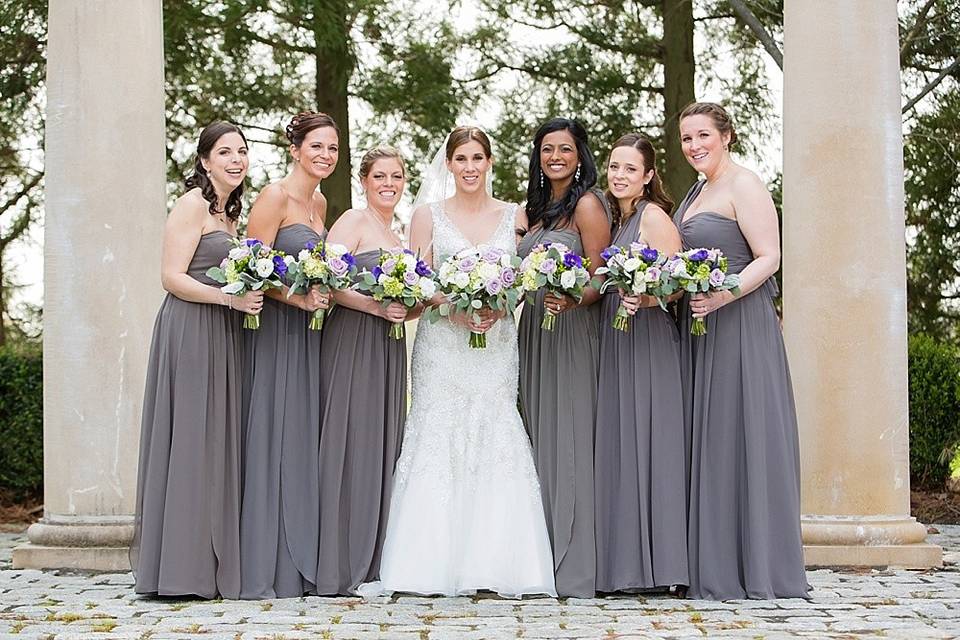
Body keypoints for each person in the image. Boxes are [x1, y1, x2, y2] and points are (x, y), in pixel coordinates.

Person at [362, 126, 556, 598]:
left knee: (496, 431)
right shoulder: (426, 216)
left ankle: (498, 564)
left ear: (490, 162)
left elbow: (525, 281)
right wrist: (455, 305)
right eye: (461, 159)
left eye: (477, 158)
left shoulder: (516, 216)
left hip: (496, 346)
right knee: (437, 433)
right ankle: (423, 566)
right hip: (443, 345)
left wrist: (497, 306)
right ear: (448, 165)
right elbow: (416, 283)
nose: (469, 167)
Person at [673, 102, 809, 600]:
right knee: (711, 437)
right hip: (701, 325)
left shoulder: (744, 184)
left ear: (726, 135)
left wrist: (725, 293)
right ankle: (714, 561)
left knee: (742, 433)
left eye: (703, 135)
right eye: (687, 138)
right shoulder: (697, 191)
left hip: (739, 323)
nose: (695, 146)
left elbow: (770, 256)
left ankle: (756, 564)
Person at [132, 122, 262, 599]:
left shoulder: (229, 217)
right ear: (205, 161)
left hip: (224, 334)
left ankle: (206, 562)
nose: (236, 159)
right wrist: (228, 299)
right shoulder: (190, 205)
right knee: (190, 438)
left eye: (242, 152)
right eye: (224, 152)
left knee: (216, 439)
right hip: (189, 329)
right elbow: (170, 276)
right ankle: (178, 569)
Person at [238, 111, 334, 599]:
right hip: (276, 329)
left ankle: (298, 558)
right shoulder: (274, 196)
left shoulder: (320, 201)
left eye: (333, 149)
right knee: (274, 432)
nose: (325, 155)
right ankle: (267, 561)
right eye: (316, 146)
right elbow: (250, 268)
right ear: (295, 149)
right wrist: (296, 298)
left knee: (301, 435)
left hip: (310, 332)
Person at [516, 117, 611, 597]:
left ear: (579, 156)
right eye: (547, 149)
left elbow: (602, 274)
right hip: (534, 334)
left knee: (569, 440)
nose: (555, 156)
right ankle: (540, 557)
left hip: (571, 331)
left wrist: (575, 298)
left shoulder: (589, 205)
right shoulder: (536, 211)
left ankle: (575, 568)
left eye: (565, 150)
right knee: (538, 438)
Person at [593, 133, 688, 594]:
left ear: (648, 176)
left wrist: (646, 297)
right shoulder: (617, 219)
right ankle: (627, 566)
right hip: (618, 339)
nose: (620, 176)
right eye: (614, 167)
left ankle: (664, 568)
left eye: (630, 169)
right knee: (623, 443)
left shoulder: (653, 216)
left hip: (648, 339)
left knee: (653, 443)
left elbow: (677, 286)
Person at [313, 146, 410, 594]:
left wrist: (406, 309)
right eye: (379, 177)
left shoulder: (399, 235)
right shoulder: (353, 220)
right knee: (348, 441)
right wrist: (374, 306)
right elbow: (325, 281)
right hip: (351, 340)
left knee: (379, 444)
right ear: (364, 182)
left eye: (396, 176)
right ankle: (336, 561)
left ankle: (371, 556)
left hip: (387, 349)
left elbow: (405, 306)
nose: (388, 184)